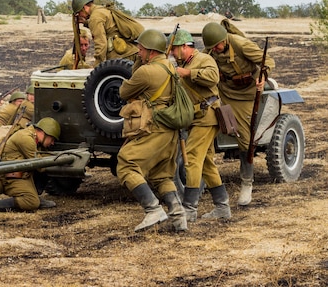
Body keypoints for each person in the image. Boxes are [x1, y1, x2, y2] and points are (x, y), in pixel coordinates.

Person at [116, 29, 187, 232]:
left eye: (140, 49)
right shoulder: (170, 67)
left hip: (153, 127)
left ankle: (152, 209)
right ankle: (178, 215)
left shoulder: (147, 72)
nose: (138, 52)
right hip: (170, 130)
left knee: (126, 162)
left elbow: (124, 91)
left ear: (150, 51)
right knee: (162, 175)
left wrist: (139, 65)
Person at [202, 22, 275, 206]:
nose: (216, 50)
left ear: (224, 39)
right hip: (223, 90)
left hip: (245, 93)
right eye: (212, 47)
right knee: (204, 125)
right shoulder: (210, 51)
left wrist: (263, 78)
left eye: (218, 45)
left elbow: (268, 61)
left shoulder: (241, 45)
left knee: (244, 137)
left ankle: (246, 182)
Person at [168, 29, 232, 221]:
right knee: (206, 164)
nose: (172, 53)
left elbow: (213, 77)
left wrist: (187, 73)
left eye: (175, 49)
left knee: (193, 160)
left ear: (185, 47)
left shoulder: (203, 59)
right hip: (195, 118)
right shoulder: (181, 64)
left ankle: (189, 208)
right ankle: (222, 207)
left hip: (207, 117)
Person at [0, 117, 61, 211]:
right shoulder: (26, 139)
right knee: (31, 202)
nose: (52, 143)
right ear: (44, 133)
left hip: (19, 173)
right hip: (10, 177)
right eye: (52, 139)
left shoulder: (33, 138)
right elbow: (40, 166)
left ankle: (34, 194)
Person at [71, 0, 144, 66]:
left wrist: (97, 67)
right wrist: (86, 23)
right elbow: (108, 26)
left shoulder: (95, 18)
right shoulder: (101, 10)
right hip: (131, 52)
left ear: (84, 8)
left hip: (121, 57)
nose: (80, 15)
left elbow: (101, 44)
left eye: (79, 12)